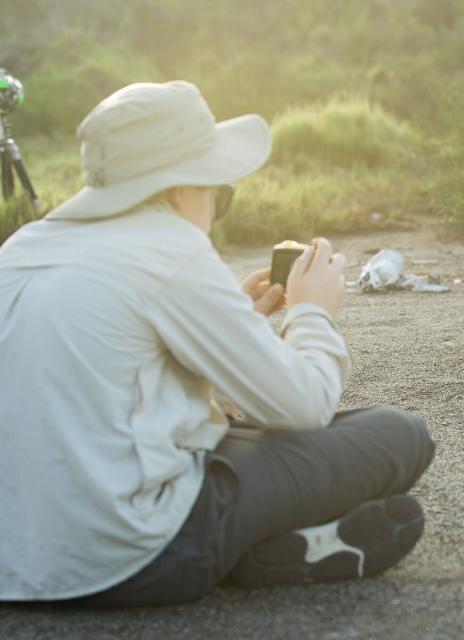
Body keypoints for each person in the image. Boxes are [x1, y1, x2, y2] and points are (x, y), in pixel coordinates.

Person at [0, 81, 435, 607]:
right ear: (181, 188)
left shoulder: (21, 248)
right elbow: (304, 406)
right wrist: (312, 311)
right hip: (132, 558)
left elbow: (110, 395)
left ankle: (267, 549)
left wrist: (236, 326)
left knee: (232, 435)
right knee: (399, 435)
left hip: (18, 564)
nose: (214, 205)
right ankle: (234, 552)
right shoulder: (171, 248)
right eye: (218, 191)